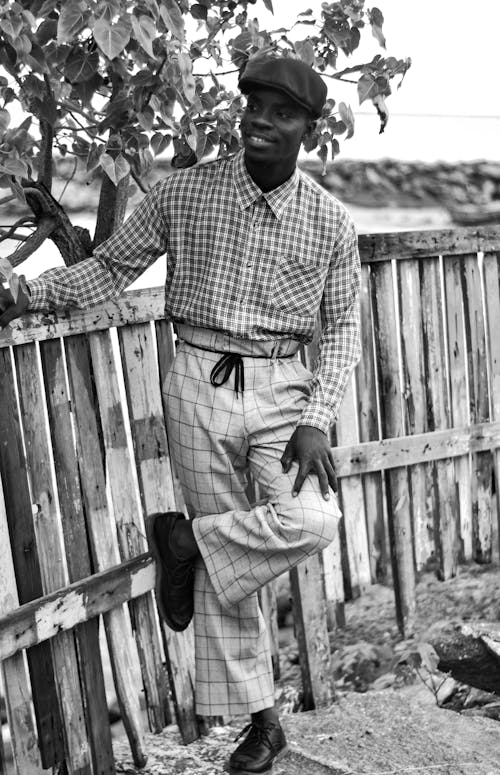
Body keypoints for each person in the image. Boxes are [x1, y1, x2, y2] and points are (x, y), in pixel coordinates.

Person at [0, 53, 361, 775]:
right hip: (195, 376)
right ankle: (263, 725)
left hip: (284, 393)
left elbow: (345, 327)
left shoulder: (331, 222)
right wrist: (26, 294)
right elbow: (110, 268)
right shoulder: (185, 193)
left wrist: (319, 414)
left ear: (307, 129)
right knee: (237, 567)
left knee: (313, 519)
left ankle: (189, 542)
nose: (261, 121)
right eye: (253, 105)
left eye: (281, 113)